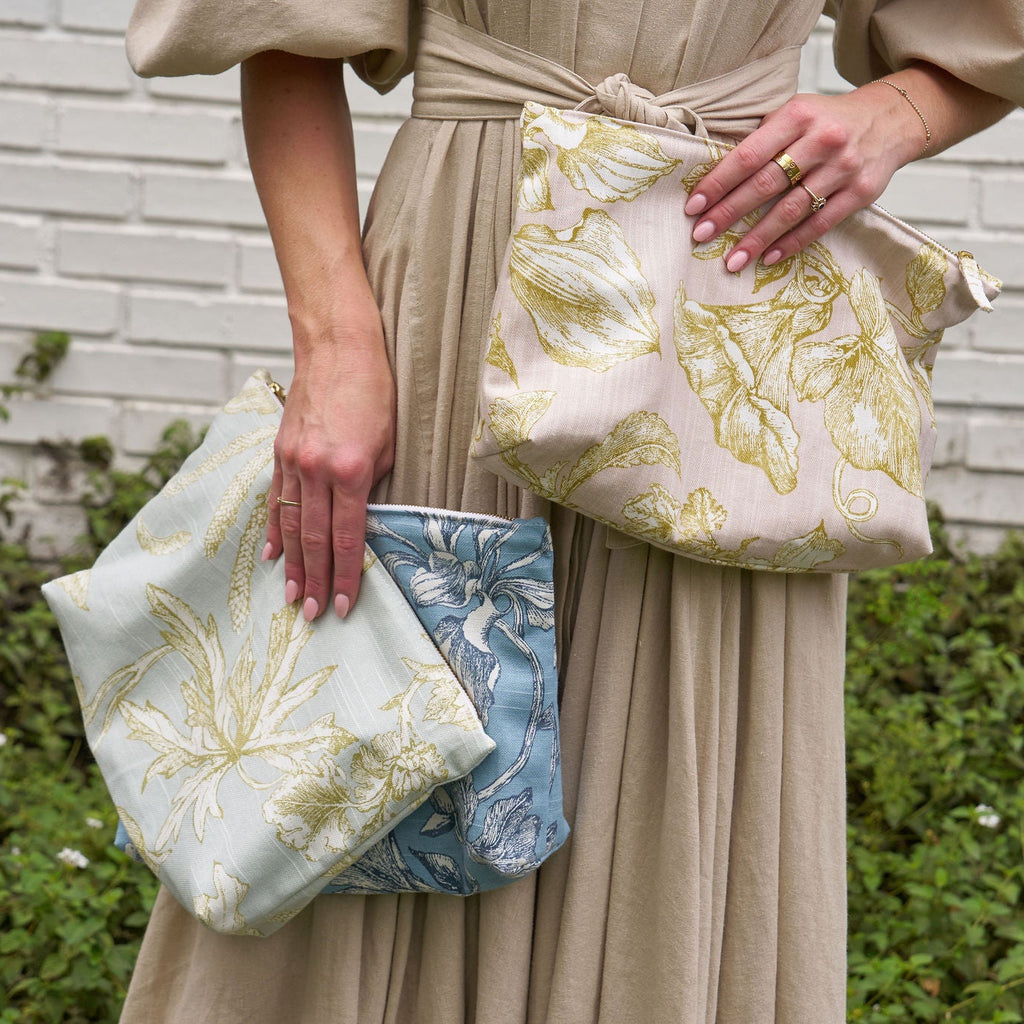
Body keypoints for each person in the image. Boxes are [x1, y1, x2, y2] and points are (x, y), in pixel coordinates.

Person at [120, 2, 1021, 1021]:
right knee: (372, 748)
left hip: (720, 295)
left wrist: (892, 114)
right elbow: (280, 27)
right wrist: (332, 344)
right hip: (465, 280)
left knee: (671, 802)